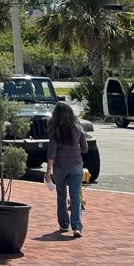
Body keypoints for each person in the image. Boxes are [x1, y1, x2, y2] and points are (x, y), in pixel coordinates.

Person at [44, 101, 88, 238]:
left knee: (61, 195)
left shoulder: (55, 130)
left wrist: (48, 171)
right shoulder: (78, 128)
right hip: (76, 165)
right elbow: (85, 148)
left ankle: (64, 224)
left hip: (59, 167)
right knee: (75, 197)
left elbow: (52, 152)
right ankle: (77, 227)